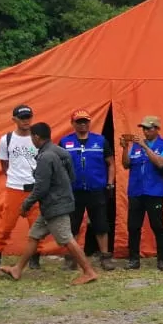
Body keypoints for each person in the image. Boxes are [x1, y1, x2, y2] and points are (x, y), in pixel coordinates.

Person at [0, 122, 97, 286]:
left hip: (55, 206)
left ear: (36, 137)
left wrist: (26, 204)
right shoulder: (61, 151)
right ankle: (17, 269)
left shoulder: (45, 157)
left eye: (32, 137)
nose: (31, 140)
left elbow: (41, 188)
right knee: (34, 235)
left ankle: (89, 271)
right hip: (54, 203)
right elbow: (72, 177)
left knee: (67, 239)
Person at [58, 109, 116, 271]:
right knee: (72, 226)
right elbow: (59, 166)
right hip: (73, 191)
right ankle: (71, 259)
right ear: (73, 123)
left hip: (96, 190)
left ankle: (105, 258)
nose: (83, 124)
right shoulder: (65, 142)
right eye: (79, 121)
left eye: (85, 121)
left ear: (90, 122)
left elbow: (111, 163)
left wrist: (110, 182)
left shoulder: (101, 140)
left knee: (101, 225)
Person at [0, 104, 41, 270]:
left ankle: (35, 257)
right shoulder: (6, 139)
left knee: (37, 225)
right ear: (14, 120)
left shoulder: (37, 138)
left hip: (34, 189)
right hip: (14, 188)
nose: (26, 121)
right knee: (6, 224)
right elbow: (4, 165)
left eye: (28, 117)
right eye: (22, 118)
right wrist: (14, 178)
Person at [121, 116, 163, 271]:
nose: (145, 131)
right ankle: (133, 260)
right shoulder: (135, 147)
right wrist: (125, 148)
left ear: (157, 129)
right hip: (136, 191)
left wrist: (145, 147)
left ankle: (162, 260)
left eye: (148, 128)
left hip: (155, 192)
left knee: (158, 226)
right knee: (133, 226)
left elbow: (160, 163)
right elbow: (126, 164)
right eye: (143, 128)